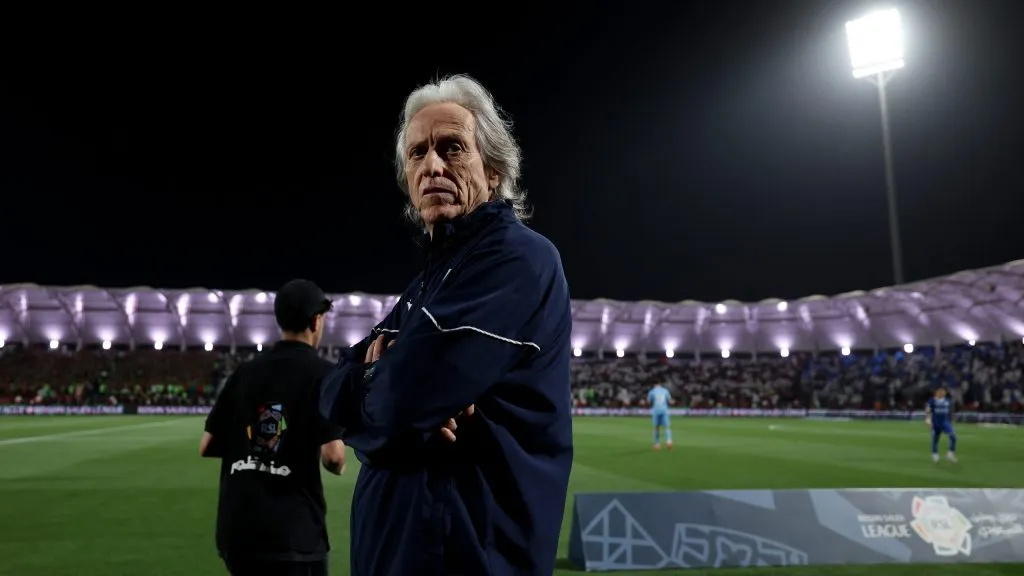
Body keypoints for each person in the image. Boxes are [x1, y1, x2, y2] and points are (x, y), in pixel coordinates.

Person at [320, 74, 574, 576]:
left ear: (495, 169)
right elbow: (329, 394)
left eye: (452, 147)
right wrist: (374, 390)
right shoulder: (428, 285)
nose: (432, 165)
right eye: (417, 154)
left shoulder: (518, 258)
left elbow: (404, 398)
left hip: (466, 555)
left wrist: (376, 401)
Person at [200, 279, 347, 576]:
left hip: (238, 532)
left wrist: (252, 455)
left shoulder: (244, 372)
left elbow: (207, 445)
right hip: (292, 535)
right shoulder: (324, 374)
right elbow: (333, 458)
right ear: (315, 321)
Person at [925, 386, 957, 463]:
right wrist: (928, 419)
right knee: (935, 439)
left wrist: (952, 419)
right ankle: (935, 454)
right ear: (936, 392)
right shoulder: (932, 401)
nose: (941, 393)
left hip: (945, 422)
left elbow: (950, 411)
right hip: (936, 422)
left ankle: (950, 453)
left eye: (943, 391)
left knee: (953, 436)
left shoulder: (948, 401)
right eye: (939, 391)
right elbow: (928, 410)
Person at [648, 383, 673, 450]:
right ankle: (669, 441)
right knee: (667, 427)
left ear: (654, 385)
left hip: (656, 411)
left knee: (656, 427)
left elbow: (649, 401)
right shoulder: (665, 390)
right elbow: (669, 400)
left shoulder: (652, 391)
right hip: (664, 410)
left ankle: (657, 444)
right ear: (660, 384)